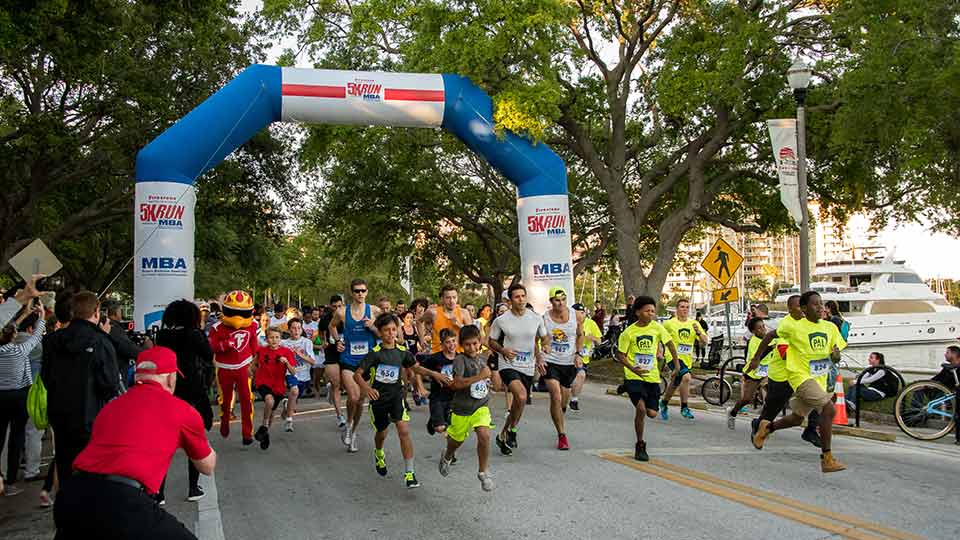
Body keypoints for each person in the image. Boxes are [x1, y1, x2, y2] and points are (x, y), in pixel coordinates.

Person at [53, 347, 216, 540]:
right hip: (123, 504)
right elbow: (206, 466)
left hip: (72, 496)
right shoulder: (182, 411)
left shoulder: (110, 407)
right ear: (171, 378)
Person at [748, 291, 847, 473]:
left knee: (797, 418)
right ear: (803, 308)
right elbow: (770, 336)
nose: (820, 308)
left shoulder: (830, 328)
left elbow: (836, 352)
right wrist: (756, 358)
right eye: (815, 304)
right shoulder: (794, 327)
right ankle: (827, 458)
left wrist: (835, 356)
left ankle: (767, 428)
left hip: (819, 379)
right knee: (829, 409)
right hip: (799, 376)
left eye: (821, 304)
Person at [42, 290, 122, 484]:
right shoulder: (101, 341)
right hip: (91, 416)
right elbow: (110, 384)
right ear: (96, 312)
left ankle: (66, 506)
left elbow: (46, 376)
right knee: (93, 472)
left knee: (65, 466)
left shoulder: (52, 340)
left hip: (59, 415)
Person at [354, 313, 431, 488]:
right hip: (379, 400)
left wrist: (434, 374)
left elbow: (416, 368)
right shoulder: (374, 354)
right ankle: (379, 452)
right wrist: (367, 389)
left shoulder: (402, 352)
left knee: (403, 430)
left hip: (396, 397)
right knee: (381, 433)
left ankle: (410, 473)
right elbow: (357, 375)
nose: (391, 333)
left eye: (394, 330)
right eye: (386, 330)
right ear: (380, 333)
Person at [155, 299, 214, 503]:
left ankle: (159, 492)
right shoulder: (194, 335)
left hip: (168, 391)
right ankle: (192, 488)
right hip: (192, 392)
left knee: (164, 444)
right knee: (193, 441)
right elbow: (208, 354)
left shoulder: (162, 335)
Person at [748, 295, 822, 447]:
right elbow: (782, 351)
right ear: (789, 309)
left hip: (801, 373)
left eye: (803, 306)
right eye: (797, 307)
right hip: (782, 375)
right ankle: (759, 425)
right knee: (772, 410)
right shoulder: (786, 324)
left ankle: (811, 429)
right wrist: (756, 358)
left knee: (822, 398)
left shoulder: (807, 322)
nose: (802, 310)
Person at [487, 283, 548, 456]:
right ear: (510, 300)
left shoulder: (536, 318)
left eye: (523, 296)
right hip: (508, 364)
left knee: (520, 402)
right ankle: (512, 431)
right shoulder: (502, 320)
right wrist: (503, 350)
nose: (521, 300)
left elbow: (544, 338)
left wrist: (544, 351)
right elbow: (491, 341)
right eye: (517, 297)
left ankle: (505, 433)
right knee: (520, 395)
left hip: (527, 366)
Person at [616, 296, 679, 462]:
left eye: (653, 310)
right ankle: (640, 444)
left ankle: (626, 388)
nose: (651, 313)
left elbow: (670, 344)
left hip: (651, 376)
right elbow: (620, 355)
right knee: (642, 410)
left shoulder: (657, 328)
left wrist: (676, 365)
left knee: (651, 413)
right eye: (647, 310)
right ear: (637, 312)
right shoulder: (629, 332)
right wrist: (631, 368)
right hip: (634, 375)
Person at [438, 324, 494, 491]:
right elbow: (456, 384)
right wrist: (479, 377)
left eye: (475, 343)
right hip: (462, 409)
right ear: (462, 345)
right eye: (468, 344)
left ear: (480, 342)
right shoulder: (460, 360)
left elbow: (492, 380)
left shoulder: (483, 359)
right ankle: (447, 455)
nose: (472, 347)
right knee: (456, 441)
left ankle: (483, 472)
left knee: (484, 435)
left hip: (480, 406)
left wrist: (493, 379)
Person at [329, 278, 382, 452]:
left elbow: (389, 329)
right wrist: (338, 341)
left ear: (367, 292)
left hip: (368, 362)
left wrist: (373, 328)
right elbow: (332, 327)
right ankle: (349, 423)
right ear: (352, 293)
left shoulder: (374, 311)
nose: (360, 294)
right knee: (353, 396)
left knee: (360, 401)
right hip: (349, 360)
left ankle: (353, 430)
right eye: (357, 291)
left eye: (363, 290)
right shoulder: (342, 312)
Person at [0, 301, 46, 496]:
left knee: (1, 436)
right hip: (19, 395)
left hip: (1, 395)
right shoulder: (20, 351)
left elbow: (8, 328)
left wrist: (22, 314)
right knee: (16, 438)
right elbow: (36, 337)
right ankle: (10, 479)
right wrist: (41, 317)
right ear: (13, 335)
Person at [208, 290, 259, 446]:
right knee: (225, 399)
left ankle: (247, 433)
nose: (238, 317)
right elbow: (211, 346)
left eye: (243, 313)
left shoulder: (252, 325)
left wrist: (256, 363)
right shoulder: (217, 327)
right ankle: (224, 420)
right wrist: (224, 345)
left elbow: (254, 345)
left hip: (244, 366)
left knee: (246, 399)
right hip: (224, 368)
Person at [541, 287, 583, 450]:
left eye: (563, 300)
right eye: (557, 300)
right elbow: (540, 338)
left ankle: (560, 412)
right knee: (556, 396)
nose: (561, 303)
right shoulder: (544, 319)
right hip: (551, 362)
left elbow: (580, 335)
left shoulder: (576, 316)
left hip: (569, 362)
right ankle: (562, 435)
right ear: (551, 301)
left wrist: (578, 354)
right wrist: (543, 348)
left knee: (564, 399)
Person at [659, 298, 708, 421]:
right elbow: (659, 338)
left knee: (675, 383)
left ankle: (664, 402)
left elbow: (705, 342)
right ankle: (684, 407)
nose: (685, 309)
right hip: (672, 357)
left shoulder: (694, 324)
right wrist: (659, 351)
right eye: (682, 307)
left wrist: (698, 333)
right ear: (677, 309)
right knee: (686, 377)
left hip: (687, 358)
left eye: (687, 307)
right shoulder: (669, 323)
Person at [726, 317, 775, 429]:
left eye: (763, 326)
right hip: (753, 373)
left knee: (770, 397)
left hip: (767, 373)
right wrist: (769, 349)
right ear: (753, 331)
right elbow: (758, 357)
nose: (763, 329)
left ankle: (762, 423)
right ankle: (732, 412)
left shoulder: (770, 338)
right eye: (759, 328)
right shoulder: (753, 342)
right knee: (747, 399)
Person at [252, 327, 297, 450]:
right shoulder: (261, 350)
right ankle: (264, 426)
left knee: (272, 412)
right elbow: (254, 365)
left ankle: (265, 432)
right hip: (263, 382)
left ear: (280, 339)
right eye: (271, 337)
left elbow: (293, 372)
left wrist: (287, 363)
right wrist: (251, 372)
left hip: (278, 385)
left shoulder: (286, 352)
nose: (274, 340)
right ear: (266, 339)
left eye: (277, 337)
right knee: (269, 401)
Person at [17, 310, 46, 483]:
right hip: (32, 392)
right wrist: (42, 317)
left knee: (12, 432)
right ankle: (31, 470)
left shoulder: (7, 341)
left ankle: (6, 471)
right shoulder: (33, 344)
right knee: (33, 432)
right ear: (30, 328)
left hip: (11, 391)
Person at [419, 328, 457, 435]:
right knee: (440, 428)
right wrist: (421, 387)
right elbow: (417, 369)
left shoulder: (460, 358)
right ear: (442, 344)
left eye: (453, 341)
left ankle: (438, 420)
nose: (452, 345)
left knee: (451, 427)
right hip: (438, 396)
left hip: (454, 397)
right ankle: (433, 422)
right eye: (448, 342)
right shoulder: (435, 358)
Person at [281, 318, 316, 431]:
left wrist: (299, 354)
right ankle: (289, 421)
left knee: (295, 397)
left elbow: (312, 361)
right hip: (290, 373)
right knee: (294, 390)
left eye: (298, 328)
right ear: (289, 330)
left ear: (302, 329)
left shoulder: (307, 342)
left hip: (304, 376)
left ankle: (287, 407)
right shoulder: (283, 343)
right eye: (293, 328)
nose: (296, 330)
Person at [319, 295, 347, 429]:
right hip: (331, 353)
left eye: (339, 306)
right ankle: (340, 416)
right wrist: (323, 341)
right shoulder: (325, 319)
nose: (337, 309)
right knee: (336, 385)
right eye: (334, 306)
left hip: (346, 353)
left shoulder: (348, 317)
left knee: (343, 384)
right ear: (330, 306)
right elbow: (321, 332)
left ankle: (331, 388)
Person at [420, 285, 473, 354]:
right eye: (448, 298)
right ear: (442, 299)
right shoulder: (433, 312)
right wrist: (421, 339)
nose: (452, 301)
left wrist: (460, 325)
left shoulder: (464, 312)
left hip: (458, 354)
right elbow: (419, 322)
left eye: (454, 297)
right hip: (438, 354)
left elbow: (472, 335)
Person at [102, 300, 144, 385]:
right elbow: (129, 349)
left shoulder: (101, 325)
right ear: (117, 312)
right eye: (120, 310)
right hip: (116, 374)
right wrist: (145, 351)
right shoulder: (113, 328)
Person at [569, 303, 601, 411]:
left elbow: (599, 341)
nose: (582, 315)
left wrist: (590, 337)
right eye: (580, 313)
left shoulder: (591, 323)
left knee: (581, 376)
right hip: (567, 358)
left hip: (583, 358)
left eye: (583, 313)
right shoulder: (568, 323)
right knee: (569, 381)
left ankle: (574, 399)